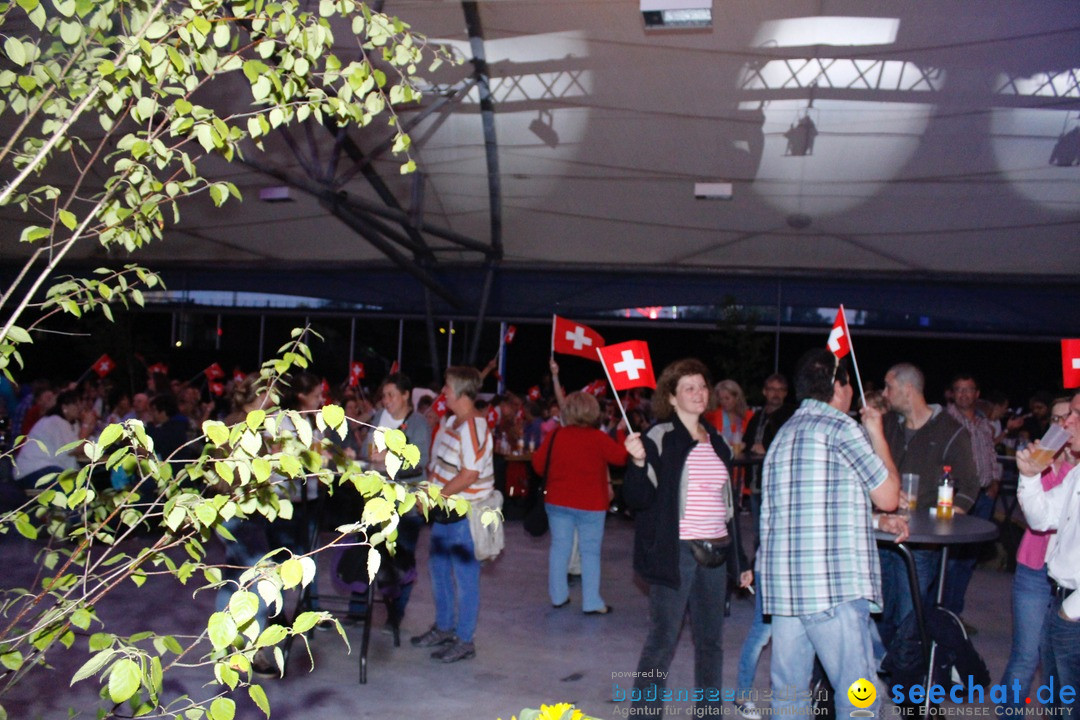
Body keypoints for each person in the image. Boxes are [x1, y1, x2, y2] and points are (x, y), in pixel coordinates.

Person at [758, 348, 900, 718]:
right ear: (839, 386)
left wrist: (874, 522)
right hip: (831, 589)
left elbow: (810, 509)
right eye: (848, 381)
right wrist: (876, 432)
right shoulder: (842, 428)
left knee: (789, 696)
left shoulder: (783, 434)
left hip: (787, 591)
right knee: (859, 698)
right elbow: (888, 496)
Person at [622, 358, 752, 717]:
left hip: (716, 552)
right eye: (689, 388)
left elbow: (728, 509)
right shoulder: (659, 436)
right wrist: (635, 465)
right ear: (673, 398)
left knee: (711, 643)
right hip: (674, 551)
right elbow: (637, 500)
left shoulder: (719, 442)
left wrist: (740, 563)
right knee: (662, 641)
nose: (698, 393)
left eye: (702, 386)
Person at [878, 362, 978, 648]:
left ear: (908, 390)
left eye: (889, 387)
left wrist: (943, 522)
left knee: (909, 616)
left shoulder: (951, 431)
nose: (884, 394)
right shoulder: (886, 426)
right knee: (880, 612)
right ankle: (882, 675)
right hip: (883, 535)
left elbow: (970, 485)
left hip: (921, 544)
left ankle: (907, 683)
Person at [411, 366, 494, 663]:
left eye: (446, 387)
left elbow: (469, 474)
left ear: (460, 391)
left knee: (465, 579)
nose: (442, 392)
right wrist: (428, 493)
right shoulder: (451, 422)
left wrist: (435, 497)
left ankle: (465, 639)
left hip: (463, 514)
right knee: (438, 572)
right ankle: (445, 628)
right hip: (446, 513)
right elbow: (441, 466)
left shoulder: (474, 426)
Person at [999, 397, 1076, 710]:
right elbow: (1038, 515)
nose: (1063, 425)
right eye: (1057, 419)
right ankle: (1009, 714)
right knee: (1027, 656)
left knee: (1059, 667)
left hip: (1068, 585)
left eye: (1069, 417)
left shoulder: (1075, 467)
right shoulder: (1044, 458)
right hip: (1035, 569)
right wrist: (1033, 472)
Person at [531, 391, 627, 613]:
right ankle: (592, 602)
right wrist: (621, 433)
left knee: (559, 549)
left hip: (557, 501)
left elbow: (538, 465)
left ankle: (558, 596)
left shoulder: (556, 435)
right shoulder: (599, 438)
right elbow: (621, 457)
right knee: (590, 552)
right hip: (591, 505)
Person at [355, 373, 430, 622]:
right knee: (366, 552)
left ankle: (395, 614)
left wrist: (389, 458)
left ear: (406, 395)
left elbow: (420, 461)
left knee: (402, 560)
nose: (386, 401)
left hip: (405, 504)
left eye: (391, 395)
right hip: (375, 501)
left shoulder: (419, 424)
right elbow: (366, 448)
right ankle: (358, 610)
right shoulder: (378, 418)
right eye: (384, 396)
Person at [943, 373, 1002, 615]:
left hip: (985, 497)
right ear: (952, 393)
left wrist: (995, 479)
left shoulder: (984, 423)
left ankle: (955, 615)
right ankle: (941, 616)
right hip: (957, 497)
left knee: (968, 562)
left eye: (968, 389)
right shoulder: (945, 421)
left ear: (977, 394)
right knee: (950, 561)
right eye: (959, 389)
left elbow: (990, 454)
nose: (964, 394)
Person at [14, 390, 94, 489]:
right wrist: (86, 425)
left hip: (50, 469)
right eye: (76, 404)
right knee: (77, 488)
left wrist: (89, 425)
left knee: (85, 485)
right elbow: (74, 448)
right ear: (64, 407)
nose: (80, 408)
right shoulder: (54, 421)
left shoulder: (72, 424)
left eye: (80, 404)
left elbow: (84, 446)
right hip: (34, 470)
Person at [706, 379, 753, 448]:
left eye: (727, 398)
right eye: (721, 399)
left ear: (736, 397)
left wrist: (746, 445)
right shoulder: (712, 416)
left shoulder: (749, 416)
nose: (724, 402)